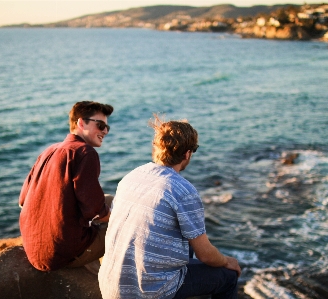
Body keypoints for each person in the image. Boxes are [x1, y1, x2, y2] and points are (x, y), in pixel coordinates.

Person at [98, 114, 241, 299]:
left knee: (186, 242)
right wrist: (227, 261)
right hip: (146, 293)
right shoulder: (183, 190)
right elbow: (206, 255)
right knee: (228, 277)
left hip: (110, 286)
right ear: (187, 154)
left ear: (155, 147)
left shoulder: (131, 177)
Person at [19, 101, 114, 273]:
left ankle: (91, 264)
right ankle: (112, 278)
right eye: (100, 125)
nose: (105, 131)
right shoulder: (85, 153)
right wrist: (112, 218)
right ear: (80, 123)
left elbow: (23, 201)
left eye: (107, 127)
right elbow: (94, 209)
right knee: (126, 221)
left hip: (33, 251)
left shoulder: (49, 151)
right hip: (61, 253)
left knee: (111, 199)